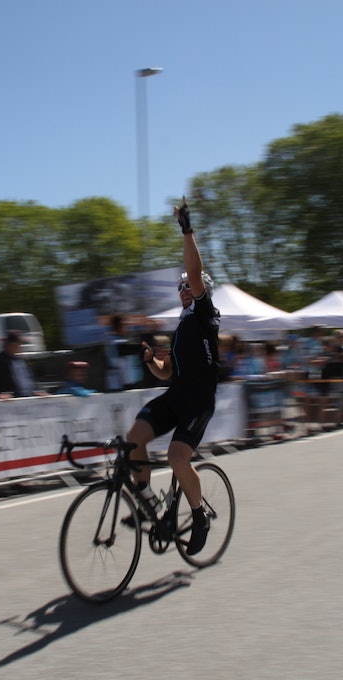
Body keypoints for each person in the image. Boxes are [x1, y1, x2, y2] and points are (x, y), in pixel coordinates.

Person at [125, 197, 220, 556]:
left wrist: (186, 229)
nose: (183, 290)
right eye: (179, 287)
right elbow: (167, 373)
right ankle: (149, 504)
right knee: (134, 439)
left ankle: (199, 517)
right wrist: (151, 361)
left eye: (188, 286)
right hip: (176, 396)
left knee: (178, 458)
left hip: (198, 401)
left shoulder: (205, 314)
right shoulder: (181, 328)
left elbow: (195, 273)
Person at [0, 331, 47, 398]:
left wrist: (37, 391)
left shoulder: (20, 361)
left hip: (27, 398)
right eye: (19, 343)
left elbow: (28, 379)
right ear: (12, 344)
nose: (20, 346)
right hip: (10, 400)